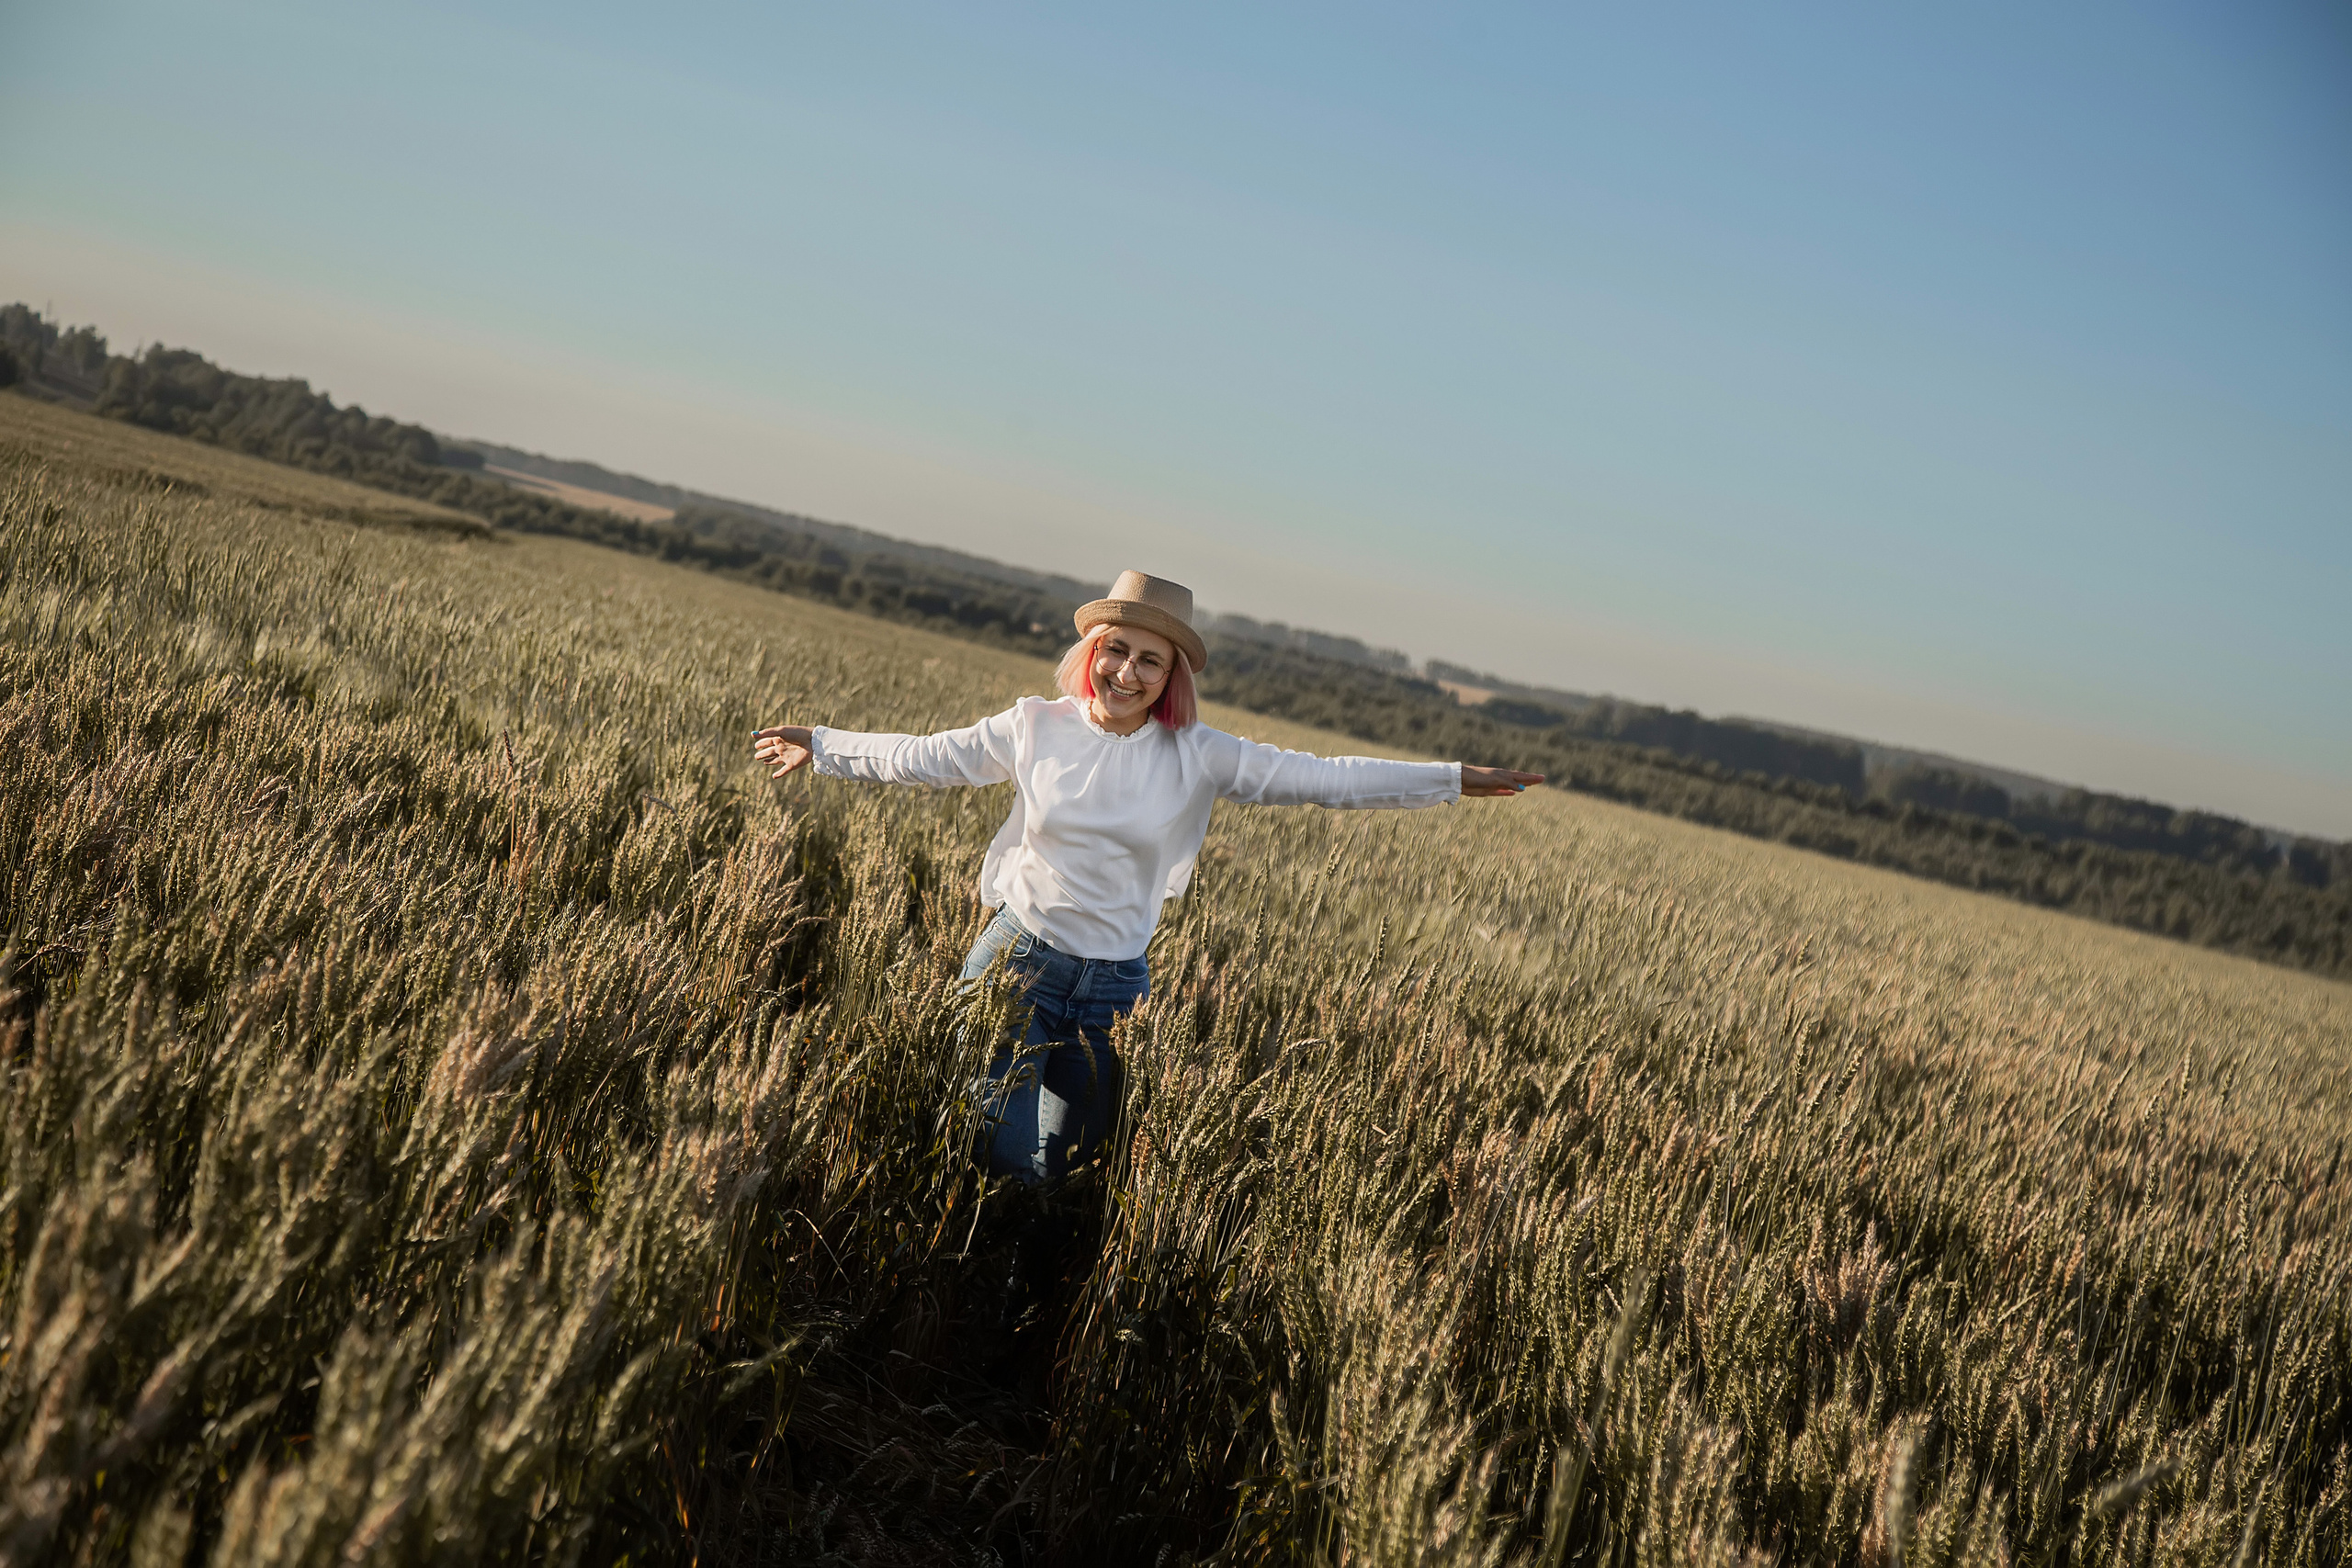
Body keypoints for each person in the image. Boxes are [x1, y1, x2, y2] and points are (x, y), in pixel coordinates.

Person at [752, 570, 1543, 1187]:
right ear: (1091, 652)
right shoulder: (1033, 725)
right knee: (1003, 1162)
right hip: (1016, 965)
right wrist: (819, 745)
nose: (1127, 671)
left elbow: (1328, 777)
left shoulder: (1199, 753)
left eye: (1150, 660)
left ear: (1172, 677)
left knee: (1070, 1170)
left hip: (1114, 991)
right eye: (1115, 650)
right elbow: (923, 757)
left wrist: (1452, 778)